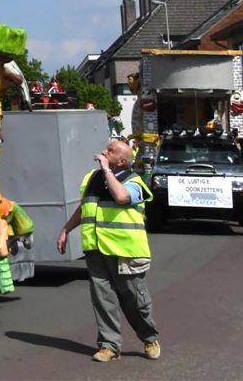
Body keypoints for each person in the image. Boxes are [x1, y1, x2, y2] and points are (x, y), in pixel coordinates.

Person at [56, 138, 161, 363]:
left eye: (110, 150)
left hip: (126, 250)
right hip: (96, 248)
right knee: (103, 299)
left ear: (121, 161)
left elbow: (122, 197)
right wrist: (66, 229)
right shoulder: (92, 178)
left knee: (135, 300)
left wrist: (106, 171)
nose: (104, 151)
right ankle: (109, 345)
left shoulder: (135, 182)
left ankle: (149, 337)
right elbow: (84, 207)